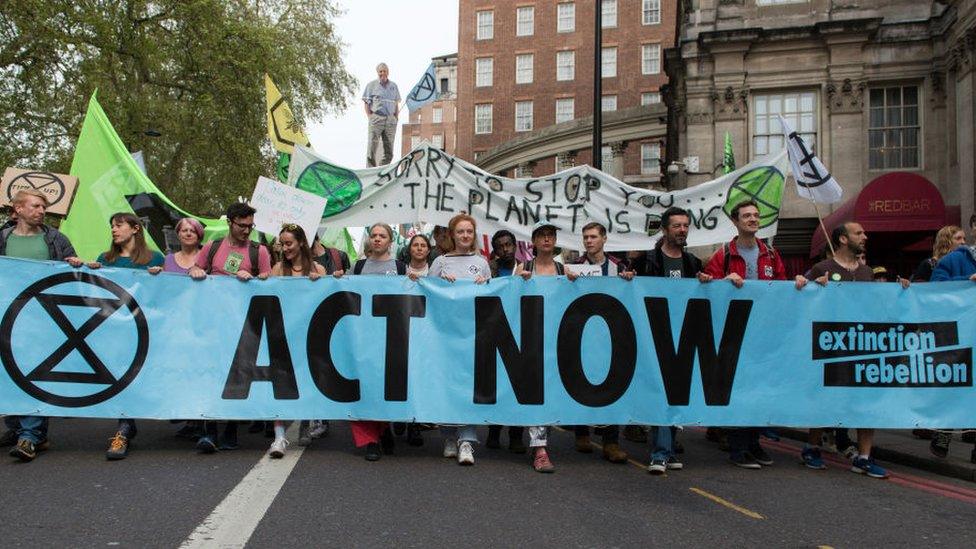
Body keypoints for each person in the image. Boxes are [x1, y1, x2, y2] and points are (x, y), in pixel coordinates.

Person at [795, 221, 907, 479]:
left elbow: (878, 309)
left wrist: (899, 292)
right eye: (859, 233)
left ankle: (864, 457)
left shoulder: (867, 272)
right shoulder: (822, 268)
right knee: (826, 398)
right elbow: (800, 303)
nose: (865, 236)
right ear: (843, 239)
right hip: (831, 347)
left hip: (863, 347)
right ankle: (812, 447)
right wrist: (806, 284)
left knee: (867, 400)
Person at [1, 189, 83, 462]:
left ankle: (30, 435)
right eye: (35, 206)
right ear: (19, 209)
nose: (40, 211)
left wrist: (74, 264)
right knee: (8, 372)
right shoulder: (3, 238)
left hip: (44, 319)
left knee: (35, 374)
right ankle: (17, 428)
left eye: (43, 207)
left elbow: (73, 274)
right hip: (7, 317)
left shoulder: (56, 239)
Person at [703, 200, 785, 469]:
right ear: (736, 222)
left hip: (763, 332)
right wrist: (722, 284)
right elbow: (710, 290)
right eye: (746, 215)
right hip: (734, 332)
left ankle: (753, 443)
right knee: (738, 389)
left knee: (759, 390)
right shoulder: (723, 255)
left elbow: (782, 289)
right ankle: (738, 447)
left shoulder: (771, 254)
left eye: (755, 215)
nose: (752, 219)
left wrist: (800, 283)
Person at [189, 202, 272, 451]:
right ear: (230, 222)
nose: (247, 231)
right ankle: (209, 431)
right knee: (211, 375)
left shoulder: (260, 252)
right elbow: (195, 267)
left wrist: (256, 279)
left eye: (250, 226)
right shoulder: (212, 248)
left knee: (237, 377)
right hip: (213, 324)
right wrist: (195, 271)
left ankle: (231, 430)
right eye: (242, 226)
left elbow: (269, 282)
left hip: (243, 324)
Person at [638, 208, 712, 474]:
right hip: (655, 334)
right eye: (677, 226)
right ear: (665, 230)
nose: (682, 230)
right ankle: (660, 453)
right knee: (662, 393)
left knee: (675, 394)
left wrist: (704, 281)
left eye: (685, 226)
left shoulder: (693, 263)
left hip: (684, 335)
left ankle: (666, 451)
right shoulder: (648, 261)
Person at [87, 212, 165, 460]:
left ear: (135, 229)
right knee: (119, 377)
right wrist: (88, 271)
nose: (114, 230)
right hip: (114, 330)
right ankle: (124, 426)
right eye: (112, 226)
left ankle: (127, 425)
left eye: (119, 225)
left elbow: (165, 295)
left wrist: (160, 277)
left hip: (144, 329)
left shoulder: (154, 258)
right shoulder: (105, 259)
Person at [514, 221, 579, 473]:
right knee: (535, 391)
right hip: (530, 339)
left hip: (557, 340)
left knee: (550, 391)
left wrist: (574, 283)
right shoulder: (524, 267)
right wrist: (518, 282)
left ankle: (538, 439)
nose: (546, 240)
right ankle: (540, 448)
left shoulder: (563, 269)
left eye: (550, 236)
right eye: (541, 236)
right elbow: (508, 299)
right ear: (534, 242)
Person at [430, 214, 492, 466]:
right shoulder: (441, 262)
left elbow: (492, 297)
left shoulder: (482, 263)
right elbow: (428, 294)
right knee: (446, 386)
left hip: (473, 334)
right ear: (452, 235)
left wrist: (486, 284)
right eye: (460, 232)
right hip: (445, 335)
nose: (465, 236)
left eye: (469, 231)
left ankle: (467, 440)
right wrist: (439, 284)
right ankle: (447, 437)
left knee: (469, 386)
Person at [570, 222, 634, 465]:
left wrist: (629, 280)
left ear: (604, 239)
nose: (589, 241)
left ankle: (611, 441)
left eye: (593, 237)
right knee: (580, 381)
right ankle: (581, 432)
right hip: (583, 335)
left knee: (613, 385)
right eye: (585, 237)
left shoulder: (619, 267)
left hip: (611, 335)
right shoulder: (575, 266)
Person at [265, 224, 327, 458]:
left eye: (288, 243)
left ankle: (303, 424)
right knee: (279, 385)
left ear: (301, 242)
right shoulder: (278, 269)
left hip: (309, 337)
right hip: (282, 336)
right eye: (281, 244)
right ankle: (279, 436)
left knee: (306, 382)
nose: (284, 248)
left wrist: (321, 283)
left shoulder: (318, 269)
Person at [347, 223, 407, 461]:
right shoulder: (358, 266)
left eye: (383, 236)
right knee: (363, 387)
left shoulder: (400, 267)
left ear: (390, 241)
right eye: (374, 235)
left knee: (385, 387)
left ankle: (383, 429)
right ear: (369, 240)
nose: (378, 239)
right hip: (362, 336)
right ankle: (370, 439)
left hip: (391, 337)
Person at [150, 217, 206, 441]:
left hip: (201, 323)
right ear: (178, 234)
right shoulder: (169, 260)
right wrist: (156, 276)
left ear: (199, 234)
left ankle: (202, 420)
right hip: (177, 325)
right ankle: (190, 418)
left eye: (192, 230)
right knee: (182, 370)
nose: (188, 234)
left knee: (201, 370)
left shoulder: (206, 257)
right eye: (183, 230)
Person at [484, 229, 526, 454]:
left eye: (509, 244)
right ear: (495, 250)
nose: (506, 249)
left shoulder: (526, 268)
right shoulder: (488, 269)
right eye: (500, 246)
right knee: (497, 385)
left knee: (518, 386)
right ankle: (493, 431)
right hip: (494, 331)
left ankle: (516, 435)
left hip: (520, 332)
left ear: (515, 245)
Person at [363, 62, 400, 167]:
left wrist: (396, 118)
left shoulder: (394, 86)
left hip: (390, 120)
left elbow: (396, 103)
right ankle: (370, 172)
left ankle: (381, 172)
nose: (382, 73)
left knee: (389, 152)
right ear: (377, 72)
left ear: (388, 72)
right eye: (380, 71)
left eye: (384, 71)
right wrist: (370, 117)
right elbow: (366, 103)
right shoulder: (371, 85)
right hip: (376, 118)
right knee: (371, 149)